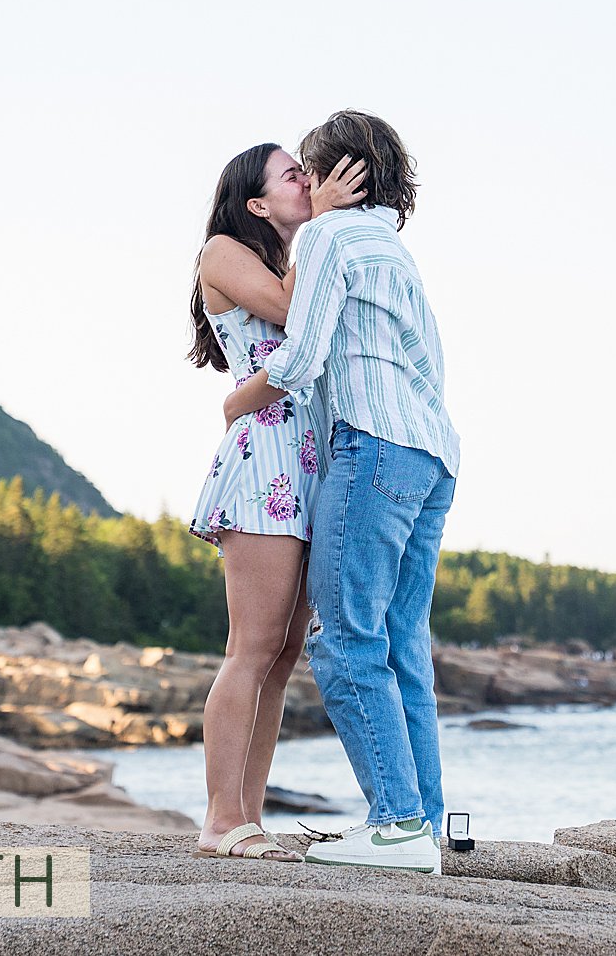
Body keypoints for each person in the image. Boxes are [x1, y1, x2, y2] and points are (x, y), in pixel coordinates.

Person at [222, 110, 459, 874]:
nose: (302, 183)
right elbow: (429, 361)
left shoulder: (328, 236)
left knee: (345, 638)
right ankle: (425, 821)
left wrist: (238, 402)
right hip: (432, 454)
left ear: (333, 179)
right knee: (400, 645)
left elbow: (303, 350)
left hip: (371, 445)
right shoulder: (393, 247)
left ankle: (396, 827)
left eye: (306, 171)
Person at [186, 142, 365, 861]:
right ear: (258, 202)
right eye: (293, 175)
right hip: (266, 459)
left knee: (286, 651)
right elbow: (293, 313)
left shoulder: (295, 255)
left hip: (309, 456)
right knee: (252, 647)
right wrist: (321, 221)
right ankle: (220, 820)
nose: (309, 180)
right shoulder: (224, 250)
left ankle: (246, 815)